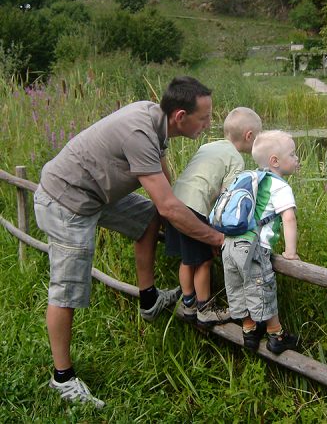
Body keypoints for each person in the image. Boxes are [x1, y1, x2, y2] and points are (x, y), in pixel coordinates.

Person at [34, 76, 224, 407]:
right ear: (181, 116)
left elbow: (166, 191)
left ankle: (149, 299)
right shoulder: (140, 134)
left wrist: (189, 211)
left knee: (147, 215)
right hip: (66, 200)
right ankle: (61, 379)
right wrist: (217, 238)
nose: (208, 125)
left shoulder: (156, 121)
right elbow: (168, 206)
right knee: (67, 289)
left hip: (95, 195)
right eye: (204, 118)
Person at [166, 107, 262, 326]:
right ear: (249, 136)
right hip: (194, 207)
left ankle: (188, 303)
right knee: (203, 261)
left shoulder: (209, 145)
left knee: (187, 258)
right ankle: (205, 308)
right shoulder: (236, 160)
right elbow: (227, 201)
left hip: (174, 201)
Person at [221, 130, 301, 355]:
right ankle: (276, 336)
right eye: (293, 154)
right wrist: (290, 252)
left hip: (229, 244)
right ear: (275, 161)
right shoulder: (280, 186)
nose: (297, 159)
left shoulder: (250, 177)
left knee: (239, 287)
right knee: (262, 286)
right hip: (252, 247)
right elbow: (289, 217)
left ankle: (249, 331)